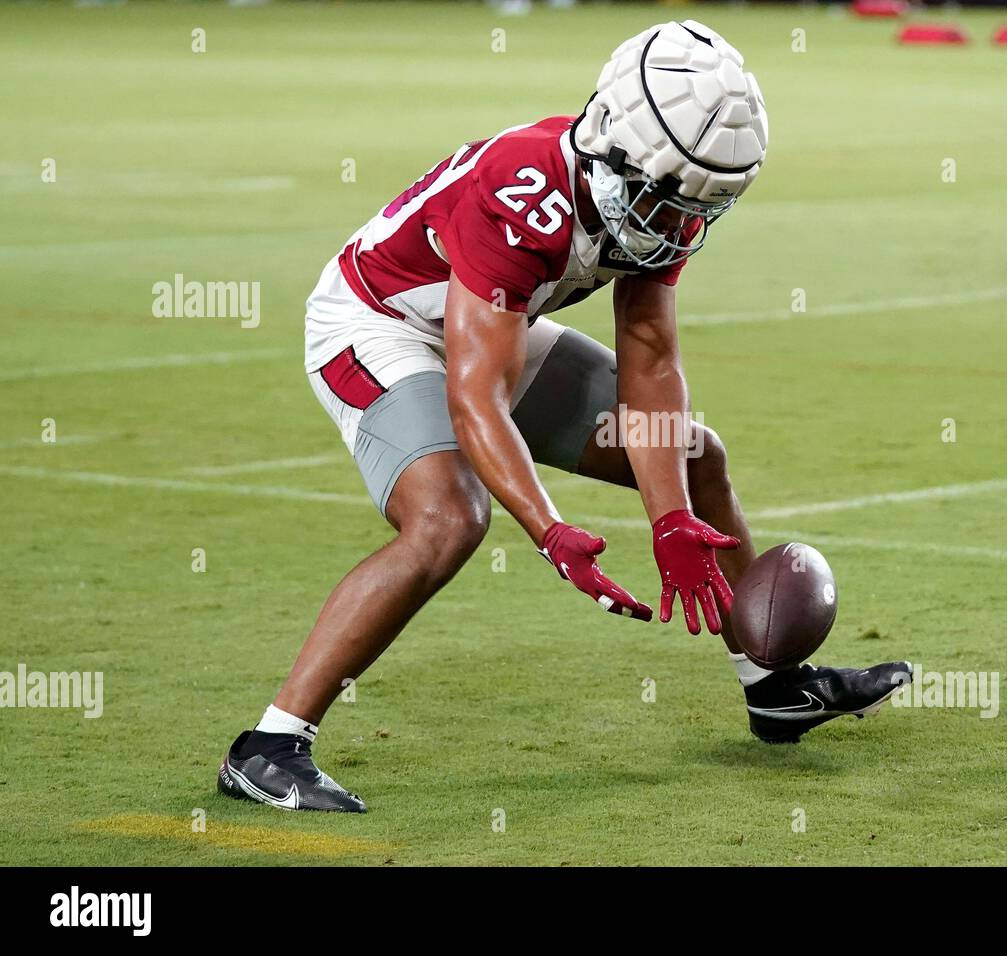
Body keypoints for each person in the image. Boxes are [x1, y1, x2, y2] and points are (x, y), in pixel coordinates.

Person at [218, 20, 912, 813]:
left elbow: (650, 353)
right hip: (380, 322)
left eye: (692, 206)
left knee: (694, 457)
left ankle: (771, 686)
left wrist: (673, 520)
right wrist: (549, 529)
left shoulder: (659, 188)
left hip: (487, 319)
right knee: (449, 518)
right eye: (664, 198)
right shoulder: (525, 192)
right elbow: (476, 394)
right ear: (615, 142)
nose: (674, 223)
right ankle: (269, 745)